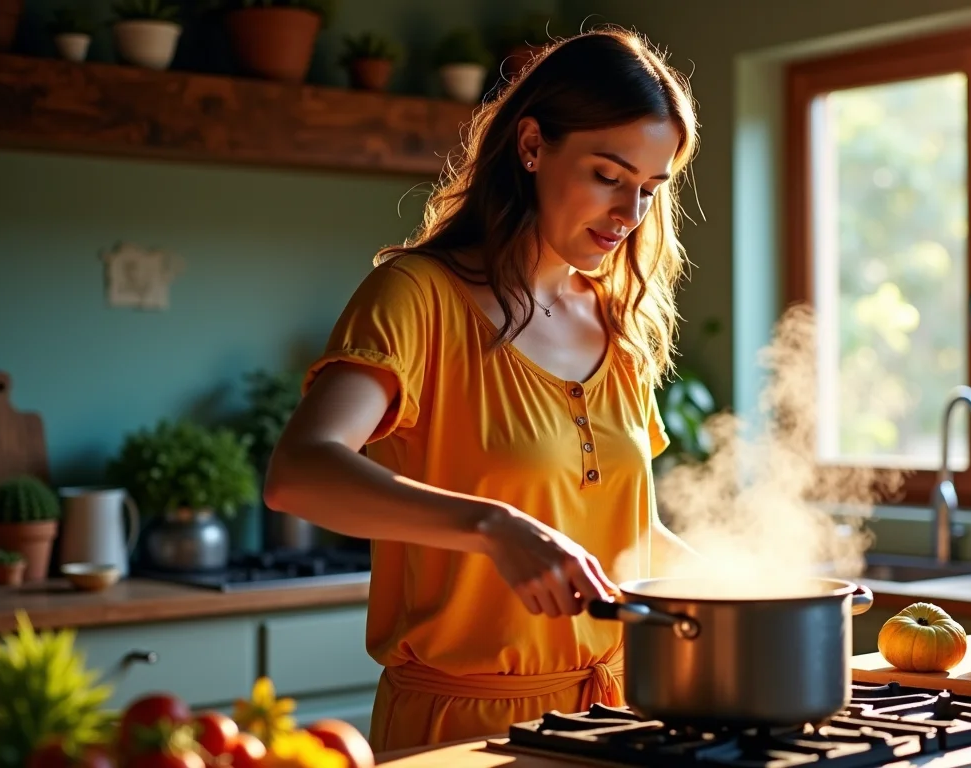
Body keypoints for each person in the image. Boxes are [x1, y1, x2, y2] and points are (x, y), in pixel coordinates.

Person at [263, 26, 701, 753]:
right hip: (461, 731)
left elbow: (626, 533)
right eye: (608, 175)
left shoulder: (619, 323)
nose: (629, 215)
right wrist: (494, 527)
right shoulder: (416, 296)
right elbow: (298, 473)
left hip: (615, 719)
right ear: (532, 146)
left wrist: (755, 592)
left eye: (649, 190)